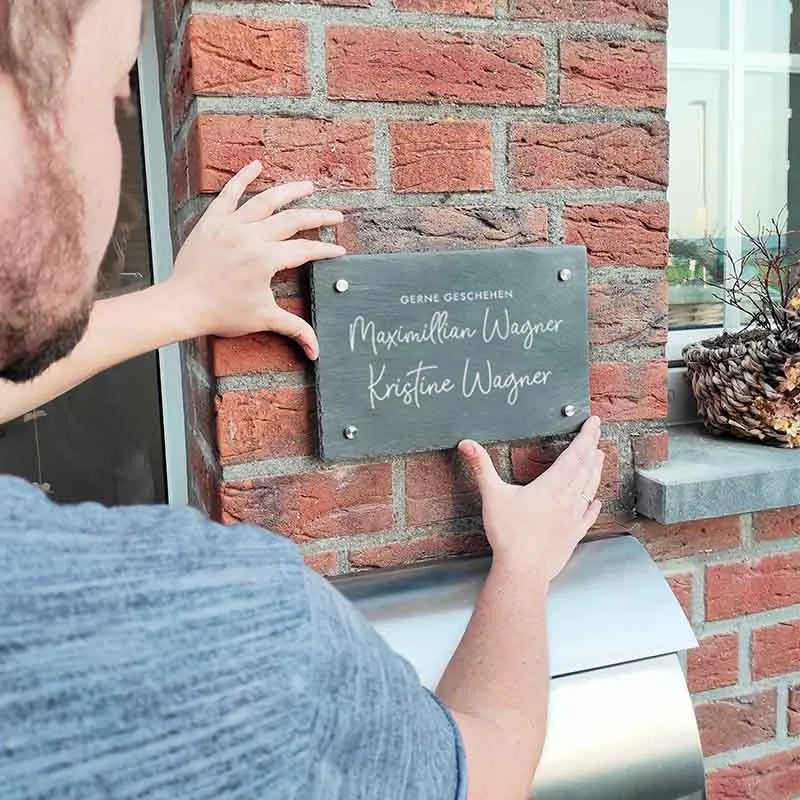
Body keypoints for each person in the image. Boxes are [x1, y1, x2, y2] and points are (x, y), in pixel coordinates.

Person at [0, 1, 605, 798]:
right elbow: (487, 775)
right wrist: (524, 569)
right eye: (118, 89)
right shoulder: (227, 633)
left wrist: (180, 307)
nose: (120, 132)